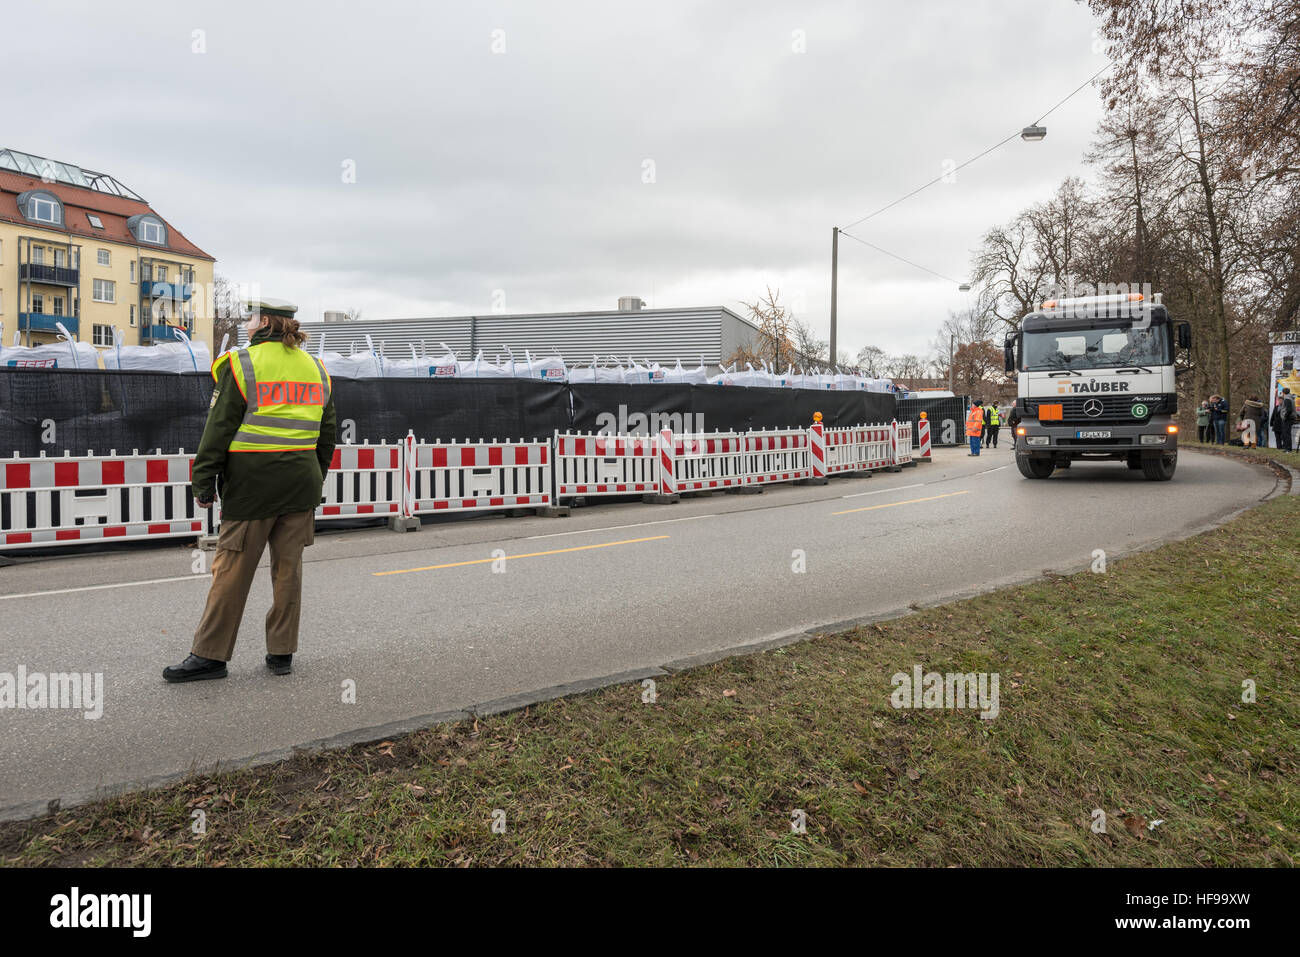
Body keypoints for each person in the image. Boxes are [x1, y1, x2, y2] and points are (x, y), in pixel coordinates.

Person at [163, 299, 337, 683]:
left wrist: (203, 480)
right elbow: (327, 437)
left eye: (249, 318)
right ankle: (281, 653)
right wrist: (313, 476)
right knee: (288, 572)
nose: (245, 323)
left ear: (264, 323)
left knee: (231, 571)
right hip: (301, 485)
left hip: (252, 486)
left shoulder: (241, 364)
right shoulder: (317, 369)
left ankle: (210, 656)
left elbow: (219, 429)